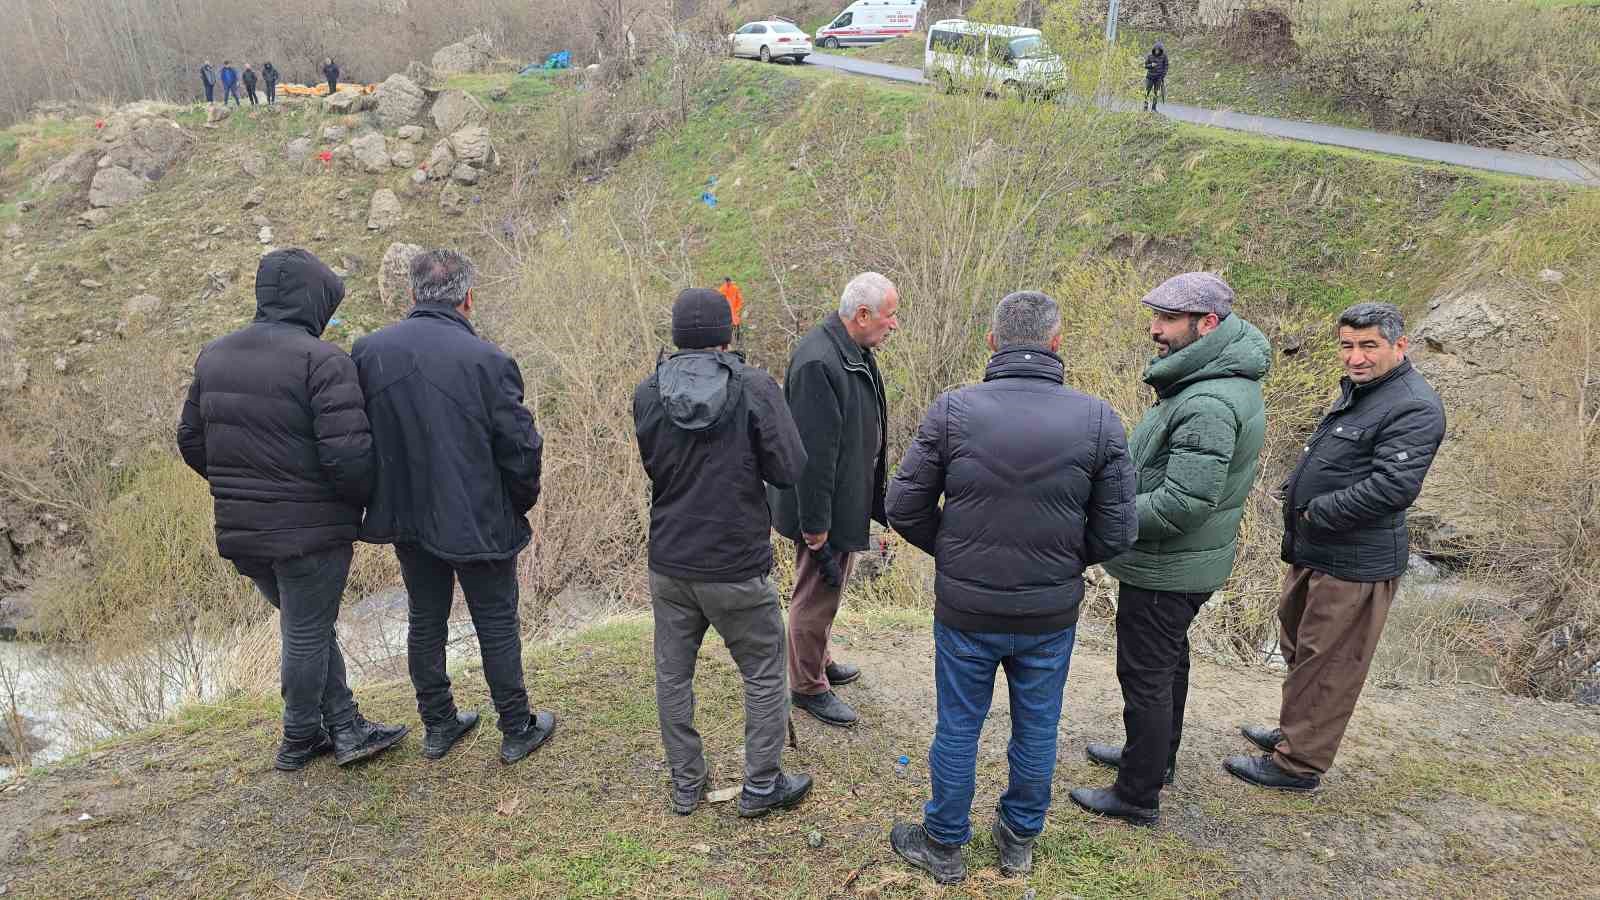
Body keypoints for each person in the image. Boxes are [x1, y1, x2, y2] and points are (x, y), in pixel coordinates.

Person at [885, 291, 1137, 884]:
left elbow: (902, 505)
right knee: (1038, 726)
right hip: (1048, 612)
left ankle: (944, 845)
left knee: (958, 725)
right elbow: (1119, 530)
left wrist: (952, 550)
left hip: (968, 608)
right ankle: (1018, 839)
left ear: (993, 342)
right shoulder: (1099, 419)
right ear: (1056, 342)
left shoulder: (953, 411)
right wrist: (1065, 560)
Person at [177, 249, 408, 772]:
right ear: (314, 300)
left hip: (243, 531)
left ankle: (346, 726)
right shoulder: (322, 360)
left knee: (309, 627)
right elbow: (349, 456)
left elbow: (191, 439)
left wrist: (239, 485)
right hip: (310, 534)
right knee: (306, 632)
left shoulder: (215, 355)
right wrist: (355, 504)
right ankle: (300, 738)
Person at [1067, 273, 1270, 826]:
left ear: (1208, 324)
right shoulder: (1214, 380)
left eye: (1167, 320)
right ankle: (1154, 763)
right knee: (1168, 665)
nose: (1155, 330)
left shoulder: (1207, 399)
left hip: (1167, 568)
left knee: (1146, 677)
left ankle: (1136, 794)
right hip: (1182, 563)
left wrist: (1106, 522)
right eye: (1154, 316)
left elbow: (1184, 502)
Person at [351, 250, 557, 767]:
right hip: (479, 515)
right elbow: (521, 446)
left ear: (412, 294)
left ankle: (440, 725)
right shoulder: (488, 360)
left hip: (408, 516)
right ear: (467, 297)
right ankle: (516, 728)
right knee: (495, 621)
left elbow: (359, 438)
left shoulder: (369, 352)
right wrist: (519, 501)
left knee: (425, 618)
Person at [1228, 302, 1445, 791]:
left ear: (1399, 346)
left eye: (1369, 346)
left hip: (1355, 562)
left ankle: (1298, 764)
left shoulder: (1413, 404)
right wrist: (1294, 489)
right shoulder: (1364, 392)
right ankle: (1295, 732)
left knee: (1329, 664)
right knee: (1301, 645)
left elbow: (1393, 487)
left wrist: (1316, 512)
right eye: (1347, 345)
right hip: (1317, 551)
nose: (1356, 357)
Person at [633, 288, 813, 819]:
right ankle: (761, 785)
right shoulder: (755, 387)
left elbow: (654, 464)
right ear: (727, 333)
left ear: (675, 335)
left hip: (670, 561)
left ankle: (687, 784)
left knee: (672, 674)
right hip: (736, 563)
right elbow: (789, 468)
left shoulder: (647, 393)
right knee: (762, 670)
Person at [769, 272, 897, 729]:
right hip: (822, 504)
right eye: (889, 315)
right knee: (815, 591)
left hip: (844, 497)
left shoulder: (852, 350)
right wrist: (817, 524)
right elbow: (813, 456)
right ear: (862, 315)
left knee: (829, 588)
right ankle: (806, 686)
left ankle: (816, 659)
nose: (893, 325)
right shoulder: (818, 362)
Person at [1144, 42, 1168, 112]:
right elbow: (1145, 65)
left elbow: (1166, 66)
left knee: (1156, 93)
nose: (1157, 51)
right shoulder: (1150, 56)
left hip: (1158, 78)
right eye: (1156, 50)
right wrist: (1151, 65)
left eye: (1158, 50)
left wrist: (1163, 75)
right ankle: (1145, 107)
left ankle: (1153, 108)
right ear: (1154, 49)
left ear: (1161, 50)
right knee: (1147, 92)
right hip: (1150, 77)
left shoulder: (1164, 57)